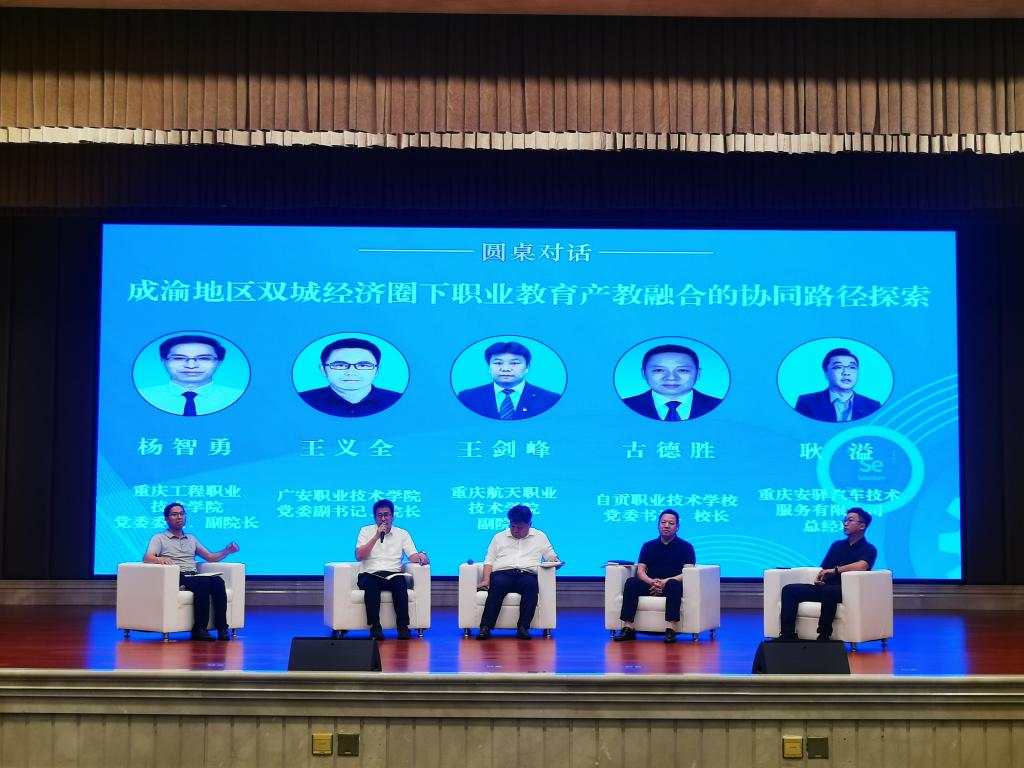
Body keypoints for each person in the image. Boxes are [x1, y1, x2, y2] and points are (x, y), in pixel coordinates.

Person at [144, 502, 241, 641]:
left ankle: (222, 628)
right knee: (203, 582)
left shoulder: (191, 538)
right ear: (166, 519)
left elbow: (210, 557)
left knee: (218, 581)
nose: (179, 517)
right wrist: (160, 559)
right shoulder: (159, 538)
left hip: (193, 575)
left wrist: (227, 551)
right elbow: (148, 558)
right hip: (176, 575)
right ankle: (199, 629)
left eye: (181, 514)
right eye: (174, 514)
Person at [778, 507, 878, 641]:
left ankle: (824, 635)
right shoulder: (837, 545)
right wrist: (821, 578)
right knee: (789, 590)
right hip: (826, 588)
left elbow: (862, 566)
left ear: (862, 526)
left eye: (850, 520)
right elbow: (825, 569)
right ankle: (787, 635)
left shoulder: (869, 549)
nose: (845, 523)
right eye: (845, 520)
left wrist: (835, 570)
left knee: (829, 591)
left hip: (847, 591)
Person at [476, 505, 561, 640]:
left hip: (527, 574)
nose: (515, 530)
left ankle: (523, 628)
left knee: (531, 585)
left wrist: (555, 561)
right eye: (513, 526)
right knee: (496, 586)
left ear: (529, 524)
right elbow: (489, 560)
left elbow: (550, 555)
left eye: (520, 527)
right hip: (503, 573)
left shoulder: (540, 536)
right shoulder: (499, 537)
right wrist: (486, 580)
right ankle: (485, 627)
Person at [612, 509, 696, 644]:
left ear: (677, 527)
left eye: (671, 523)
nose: (666, 526)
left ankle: (671, 629)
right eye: (663, 522)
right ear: (658, 525)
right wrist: (651, 582)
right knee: (631, 582)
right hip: (650, 585)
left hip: (671, 586)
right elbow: (640, 570)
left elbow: (688, 572)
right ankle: (628, 628)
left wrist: (664, 582)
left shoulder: (686, 547)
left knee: (673, 584)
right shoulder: (648, 546)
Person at [354, 498, 429, 640]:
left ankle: (403, 627)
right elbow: (359, 556)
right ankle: (375, 627)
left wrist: (421, 556)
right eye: (380, 515)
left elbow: (412, 556)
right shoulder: (365, 531)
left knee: (400, 582)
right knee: (371, 583)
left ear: (392, 516)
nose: (383, 519)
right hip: (370, 574)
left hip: (393, 574)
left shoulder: (402, 533)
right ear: (375, 517)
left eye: (386, 515)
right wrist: (376, 537)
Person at [138, 335, 244, 416]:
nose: (191, 366)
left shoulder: (237, 397)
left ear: (219, 362)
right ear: (163, 361)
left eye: (204, 358)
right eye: (178, 358)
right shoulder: (143, 396)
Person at [299, 338, 403, 417]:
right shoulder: (302, 401)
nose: (351, 372)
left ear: (377, 371)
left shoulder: (398, 401)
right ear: (323, 370)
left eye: (363, 365)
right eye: (340, 365)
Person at [457, 341, 561, 420]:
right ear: (489, 367)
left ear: (527, 367)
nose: (505, 369)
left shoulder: (550, 399)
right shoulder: (467, 398)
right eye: (498, 363)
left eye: (514, 363)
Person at [621, 344, 722, 421]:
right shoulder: (624, 407)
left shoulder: (719, 406)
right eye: (659, 370)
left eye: (682, 370)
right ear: (644, 373)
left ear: (698, 373)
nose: (671, 377)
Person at [795, 347, 882, 423]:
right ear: (826, 373)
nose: (846, 373)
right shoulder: (807, 402)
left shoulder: (873, 406)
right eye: (838, 367)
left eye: (852, 367)